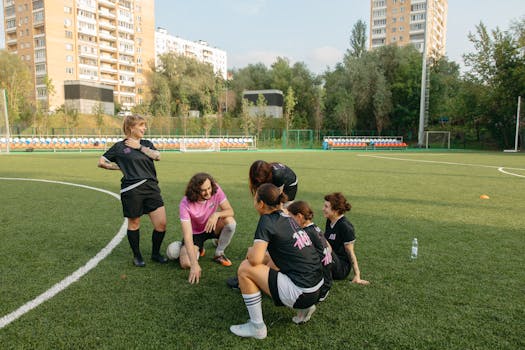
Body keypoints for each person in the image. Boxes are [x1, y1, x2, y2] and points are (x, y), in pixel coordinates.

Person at [230, 183, 323, 340]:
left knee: (245, 268)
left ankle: (257, 327)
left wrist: (251, 252)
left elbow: (255, 260)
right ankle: (305, 308)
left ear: (261, 204)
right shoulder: (288, 215)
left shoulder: (267, 220)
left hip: (301, 292)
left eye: (255, 200)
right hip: (316, 287)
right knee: (267, 259)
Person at [98, 114, 167, 267]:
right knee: (134, 223)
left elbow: (158, 156)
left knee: (161, 224)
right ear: (131, 127)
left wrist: (140, 147)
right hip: (131, 190)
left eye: (144, 125)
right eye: (141, 125)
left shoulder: (146, 143)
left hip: (151, 188)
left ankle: (156, 254)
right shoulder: (119, 147)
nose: (145, 128)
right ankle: (137, 256)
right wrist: (120, 167)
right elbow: (101, 161)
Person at [178, 172, 236, 284]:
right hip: (195, 234)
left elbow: (230, 211)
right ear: (195, 191)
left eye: (209, 188)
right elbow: (188, 235)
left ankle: (219, 253)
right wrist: (194, 265)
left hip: (211, 226)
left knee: (230, 222)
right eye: (203, 190)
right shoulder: (185, 204)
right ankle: (198, 248)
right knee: (186, 263)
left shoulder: (216, 189)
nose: (208, 192)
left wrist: (216, 215)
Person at [287, 201, 333, 302]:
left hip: (319, 287)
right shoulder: (314, 228)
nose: (289, 222)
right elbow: (329, 248)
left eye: (290, 218)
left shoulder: (306, 233)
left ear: (299, 216)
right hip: (327, 281)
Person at [323, 192, 369, 285]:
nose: (323, 209)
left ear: (335, 210)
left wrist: (357, 275)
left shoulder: (345, 226)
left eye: (326, 207)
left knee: (320, 240)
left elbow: (350, 252)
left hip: (341, 268)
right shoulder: (330, 220)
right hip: (329, 258)